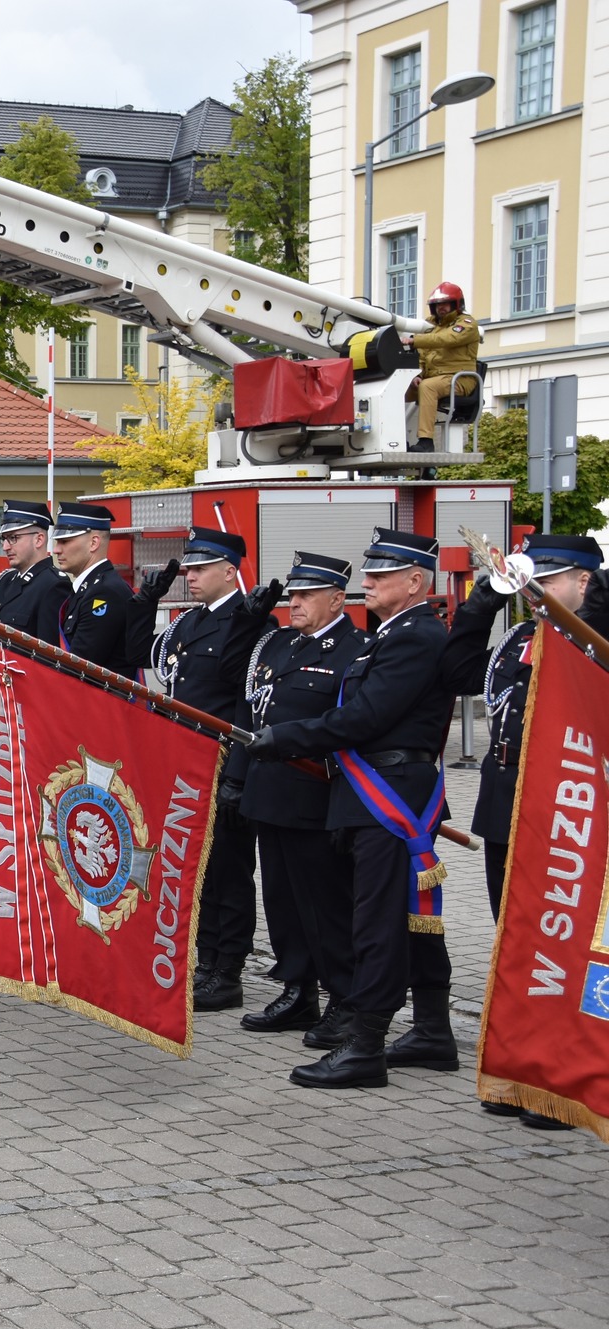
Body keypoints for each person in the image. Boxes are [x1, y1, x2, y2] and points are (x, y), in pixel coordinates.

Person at [247, 529, 456, 1089]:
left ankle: (365, 1045)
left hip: (388, 793)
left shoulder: (415, 636)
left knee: (378, 922)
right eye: (369, 572)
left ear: (415, 582)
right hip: (376, 789)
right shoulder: (395, 633)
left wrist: (286, 737)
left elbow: (365, 718)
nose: (367, 581)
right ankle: (433, 1031)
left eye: (380, 575)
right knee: (412, 918)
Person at [439, 532, 607, 1131]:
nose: (534, 591)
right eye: (529, 580)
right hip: (507, 800)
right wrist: (487, 596)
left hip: (568, 809)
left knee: (565, 948)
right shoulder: (520, 636)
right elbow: (457, 672)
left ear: (583, 582)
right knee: (515, 941)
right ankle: (521, 1067)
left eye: (548, 579)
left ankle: (565, 1076)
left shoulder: (594, 639)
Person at [227, 553, 366, 1045]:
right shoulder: (277, 643)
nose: (296, 602)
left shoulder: (354, 651)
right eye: (293, 594)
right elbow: (246, 706)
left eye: (308, 595)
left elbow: (349, 726)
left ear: (337, 599)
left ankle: (345, 1000)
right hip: (269, 793)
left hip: (316, 797)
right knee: (282, 902)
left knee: (324, 906)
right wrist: (237, 778)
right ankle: (298, 989)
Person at [151, 526, 259, 1011]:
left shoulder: (249, 622)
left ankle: (227, 970)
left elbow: (246, 706)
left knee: (229, 871)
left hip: (221, 762)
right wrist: (146, 602)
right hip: (185, 762)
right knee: (199, 870)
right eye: (189, 568)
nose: (190, 576)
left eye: (200, 568)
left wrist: (237, 773)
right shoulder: (189, 623)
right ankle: (204, 960)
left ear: (230, 572)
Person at [51, 502, 141, 673]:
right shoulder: (90, 588)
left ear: (93, 543)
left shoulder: (104, 592)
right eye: (57, 542)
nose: (56, 550)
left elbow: (79, 667)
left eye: (64, 541)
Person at [0, 500, 69, 643]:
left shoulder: (53, 585)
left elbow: (48, 650)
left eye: (13, 538)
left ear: (39, 540)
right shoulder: (5, 580)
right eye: (4, 539)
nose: (5, 547)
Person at [406, 282, 479, 454]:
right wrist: (417, 375)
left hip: (459, 378)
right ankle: (395, 437)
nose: (441, 308)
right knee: (396, 390)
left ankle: (426, 441)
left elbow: (447, 339)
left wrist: (414, 340)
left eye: (446, 304)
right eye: (437, 305)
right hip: (433, 377)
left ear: (457, 304)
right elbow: (422, 356)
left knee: (428, 387)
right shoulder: (429, 326)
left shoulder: (467, 324)